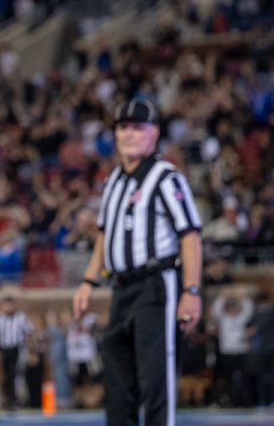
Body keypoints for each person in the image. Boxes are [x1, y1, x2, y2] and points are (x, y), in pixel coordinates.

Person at [72, 98, 203, 426]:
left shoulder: (165, 178)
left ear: (154, 133)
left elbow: (190, 235)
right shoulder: (114, 180)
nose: (129, 134)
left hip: (155, 285)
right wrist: (88, 282)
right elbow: (104, 235)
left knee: (155, 379)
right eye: (123, 127)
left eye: (138, 127)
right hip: (122, 288)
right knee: (117, 383)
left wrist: (191, 290)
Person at [0, 295, 33, 409]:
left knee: (17, 375)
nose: (7, 308)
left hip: (17, 349)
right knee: (6, 376)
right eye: (5, 305)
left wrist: (30, 350)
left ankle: (19, 400)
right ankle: (9, 400)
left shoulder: (21, 317)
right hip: (4, 349)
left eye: (9, 305)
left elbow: (29, 333)